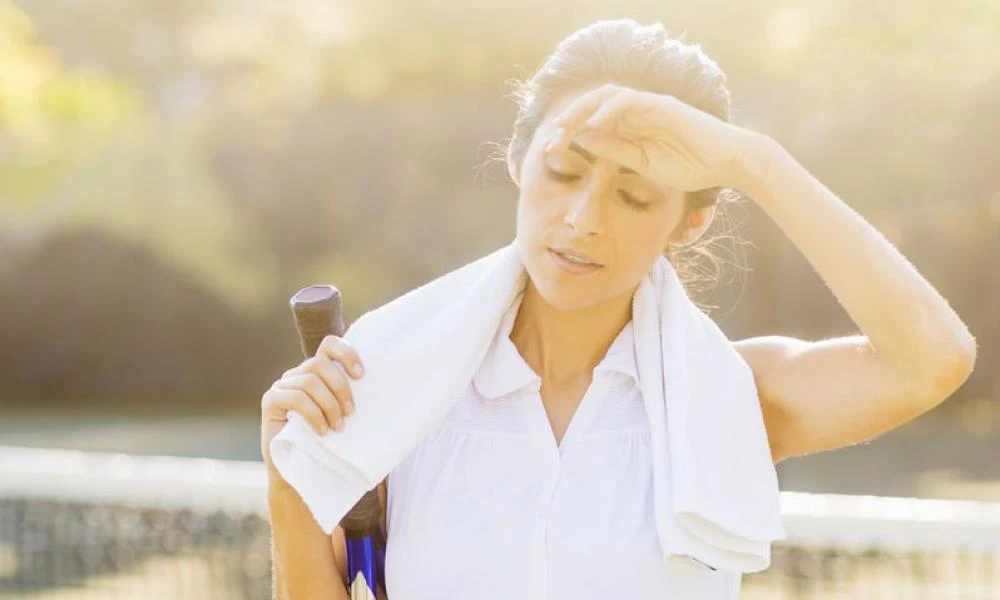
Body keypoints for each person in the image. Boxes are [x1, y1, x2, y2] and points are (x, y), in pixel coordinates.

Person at [260, 18, 977, 599]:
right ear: (518, 161)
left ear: (689, 221)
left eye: (634, 193)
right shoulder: (402, 382)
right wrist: (290, 476)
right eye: (562, 171)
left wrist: (751, 162)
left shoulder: (732, 397)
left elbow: (932, 360)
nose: (582, 218)